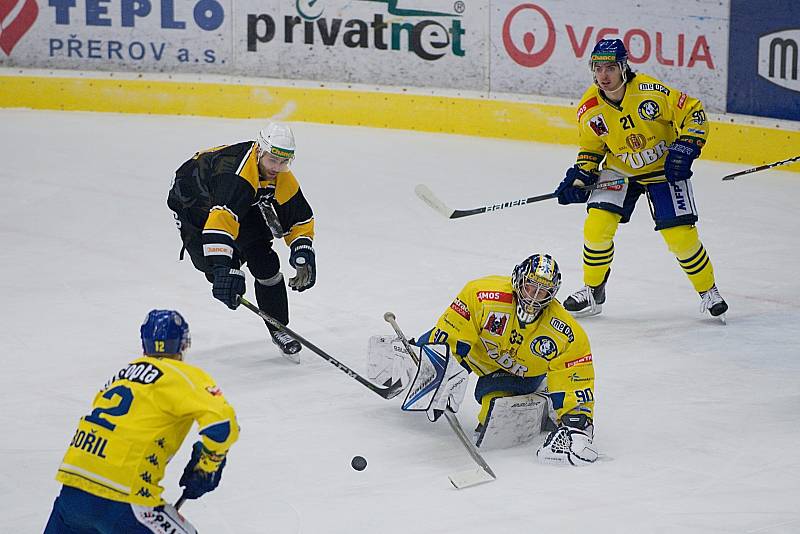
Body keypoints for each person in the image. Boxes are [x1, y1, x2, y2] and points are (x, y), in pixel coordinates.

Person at [554, 39, 728, 322]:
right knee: (597, 227)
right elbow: (590, 149)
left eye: (610, 68)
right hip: (620, 170)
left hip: (663, 169)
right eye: (598, 69)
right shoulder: (589, 108)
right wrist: (580, 177)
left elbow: (694, 112)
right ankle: (593, 291)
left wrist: (686, 146)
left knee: (681, 238)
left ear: (624, 68)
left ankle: (709, 291)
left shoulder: (651, 91)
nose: (604, 76)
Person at [370, 254, 598, 465]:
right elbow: (450, 333)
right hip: (477, 350)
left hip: (517, 373)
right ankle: (401, 371)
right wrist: (439, 370)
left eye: (542, 291)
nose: (533, 296)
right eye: (530, 286)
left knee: (495, 420)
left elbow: (575, 375)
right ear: (518, 279)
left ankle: (543, 399)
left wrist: (577, 420)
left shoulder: (566, 332)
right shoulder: (481, 294)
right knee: (425, 358)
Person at [44, 310, 239, 533]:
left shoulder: (120, 376)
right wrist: (207, 467)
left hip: (72, 491)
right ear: (183, 345)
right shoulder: (183, 375)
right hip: (124, 495)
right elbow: (222, 427)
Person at [167, 121, 316, 357]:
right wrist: (223, 267)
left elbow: (298, 217)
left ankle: (279, 327)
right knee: (214, 268)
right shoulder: (236, 177)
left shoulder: (278, 173)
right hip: (193, 200)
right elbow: (221, 221)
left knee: (264, 260)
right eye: (272, 160)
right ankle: (225, 264)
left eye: (284, 161)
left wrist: (303, 250)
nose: (277, 167)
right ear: (259, 151)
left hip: (234, 201)